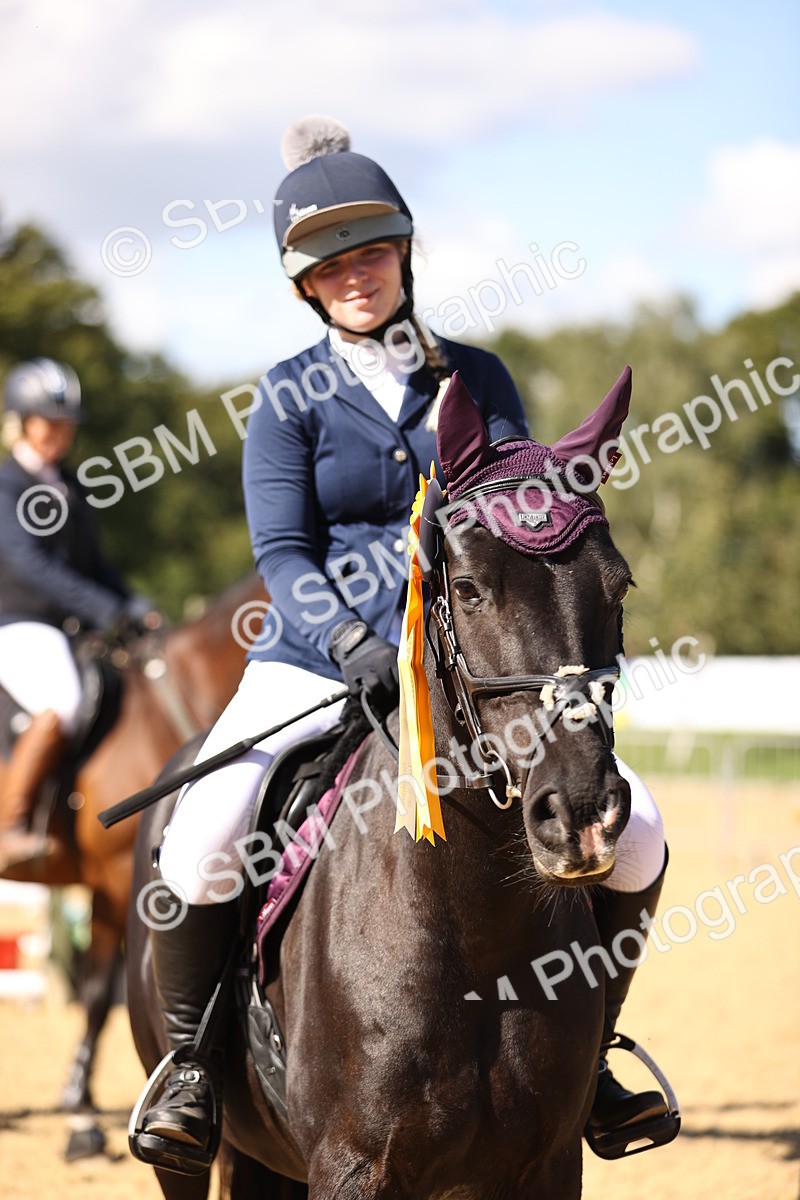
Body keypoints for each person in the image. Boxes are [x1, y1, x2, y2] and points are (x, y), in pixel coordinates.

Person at [135, 116, 668, 1170]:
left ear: (404, 254)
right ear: (305, 286)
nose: (354, 276)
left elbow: (520, 515)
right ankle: (193, 1067)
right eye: (330, 266)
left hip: (463, 666)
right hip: (311, 660)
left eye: (370, 253)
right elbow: (283, 551)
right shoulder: (286, 399)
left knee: (637, 831)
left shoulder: (476, 378)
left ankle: (589, 1050)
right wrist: (345, 640)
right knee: (202, 832)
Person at [0, 357, 157, 869]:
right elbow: (31, 568)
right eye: (48, 422)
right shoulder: (4, 485)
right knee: (63, 700)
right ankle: (10, 825)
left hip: (71, 624)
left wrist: (133, 605)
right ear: (21, 422)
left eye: (65, 424)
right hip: (19, 623)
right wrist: (104, 608)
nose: (59, 433)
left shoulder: (70, 485)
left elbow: (95, 565)